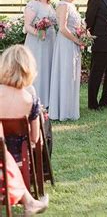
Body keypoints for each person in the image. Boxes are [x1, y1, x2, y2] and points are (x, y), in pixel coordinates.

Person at [0, 45, 49, 213]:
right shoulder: (29, 100)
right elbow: (35, 138)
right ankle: (30, 201)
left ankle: (29, 202)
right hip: (18, 155)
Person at [49, 0, 83, 121]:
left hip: (72, 43)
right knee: (65, 74)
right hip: (65, 43)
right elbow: (62, 28)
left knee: (72, 75)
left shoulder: (72, 6)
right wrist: (77, 40)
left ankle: (69, 108)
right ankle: (61, 110)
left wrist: (83, 35)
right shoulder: (63, 5)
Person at [23, 0, 57, 108]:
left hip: (50, 43)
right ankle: (33, 102)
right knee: (38, 70)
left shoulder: (50, 5)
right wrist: (39, 33)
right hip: (37, 44)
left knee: (48, 69)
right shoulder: (33, 5)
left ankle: (47, 101)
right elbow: (27, 26)